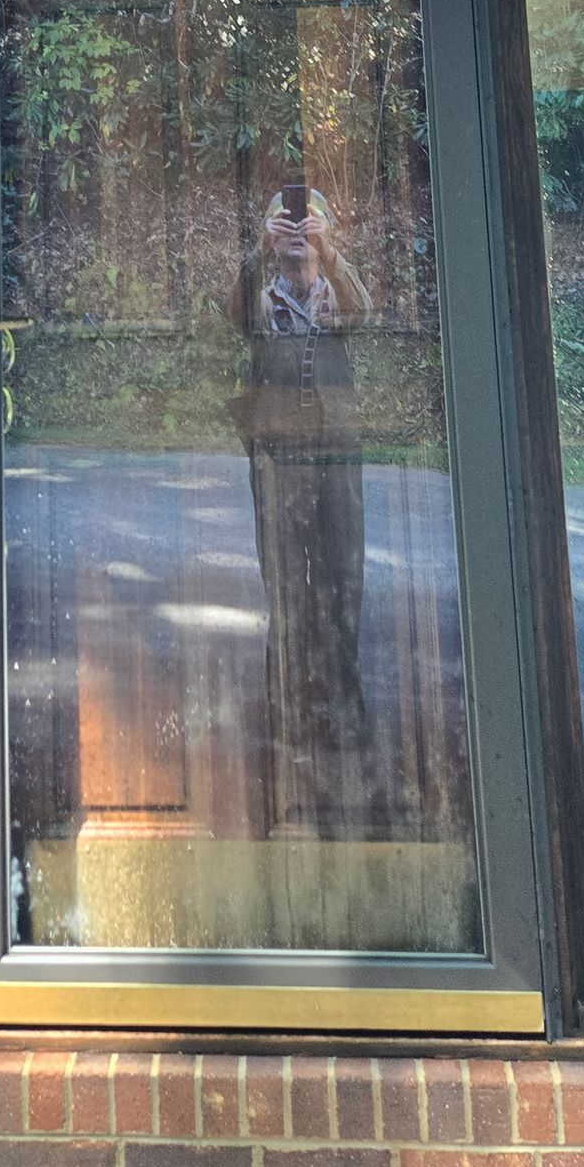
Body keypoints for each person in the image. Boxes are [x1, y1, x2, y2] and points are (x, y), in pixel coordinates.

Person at [231, 185, 378, 838]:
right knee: (287, 588)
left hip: (339, 449)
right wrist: (261, 255)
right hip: (279, 455)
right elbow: (229, 316)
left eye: (305, 220)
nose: (295, 229)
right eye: (282, 221)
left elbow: (365, 314)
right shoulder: (258, 292)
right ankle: (287, 714)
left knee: (345, 582)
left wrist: (330, 252)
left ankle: (345, 713)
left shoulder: (334, 287)